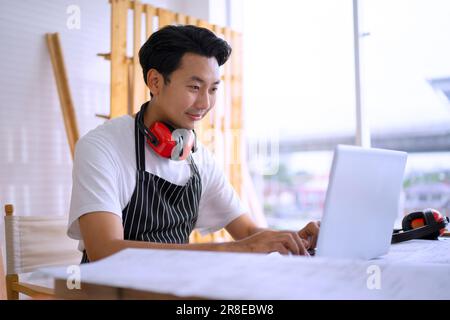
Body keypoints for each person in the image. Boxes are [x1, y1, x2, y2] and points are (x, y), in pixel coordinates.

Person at [68, 25, 320, 263]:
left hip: (172, 288)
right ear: (155, 82)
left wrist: (294, 239)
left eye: (212, 89)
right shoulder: (101, 147)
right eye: (194, 87)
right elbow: (104, 250)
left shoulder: (199, 158)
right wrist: (240, 248)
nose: (204, 103)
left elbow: (248, 231)